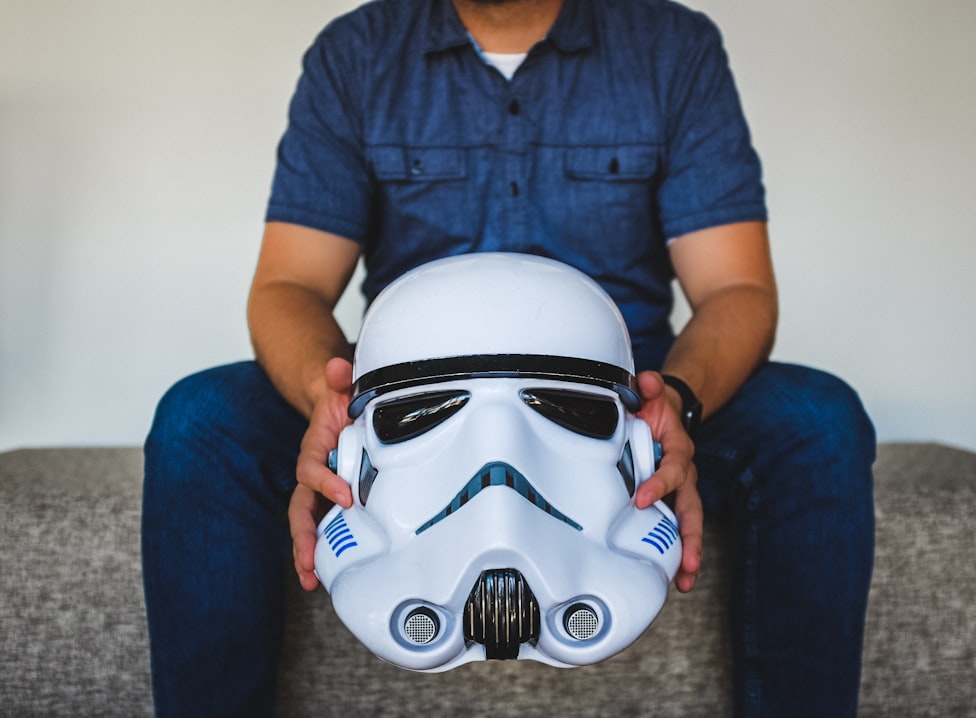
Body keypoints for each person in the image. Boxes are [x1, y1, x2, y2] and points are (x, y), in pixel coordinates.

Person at [142, 0, 876, 716]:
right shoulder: (357, 50)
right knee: (200, 417)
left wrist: (673, 404)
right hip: (410, 400)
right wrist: (326, 405)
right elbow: (289, 285)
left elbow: (737, 289)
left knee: (819, 417)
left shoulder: (672, 46)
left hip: (618, 397)